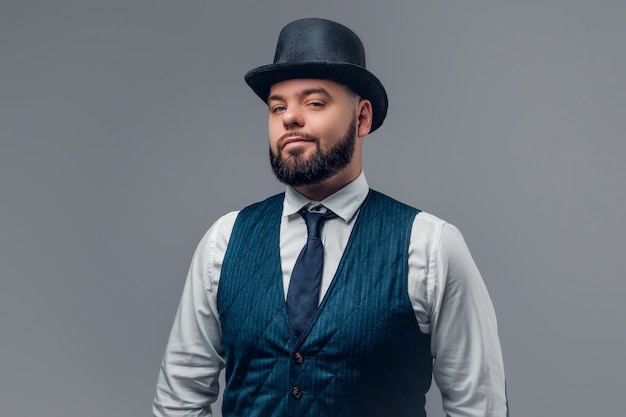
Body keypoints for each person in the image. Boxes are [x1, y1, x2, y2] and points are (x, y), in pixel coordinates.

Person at [153, 17, 509, 417]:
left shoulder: (431, 247)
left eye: (314, 102)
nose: (289, 117)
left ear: (361, 119)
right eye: (277, 107)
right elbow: (178, 401)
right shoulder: (225, 241)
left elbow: (481, 408)